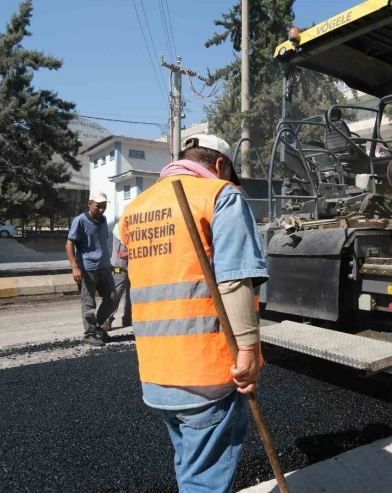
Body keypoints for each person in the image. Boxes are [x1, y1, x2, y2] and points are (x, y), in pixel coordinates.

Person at [120, 134, 267, 492]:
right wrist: (247, 352)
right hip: (207, 374)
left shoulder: (135, 208)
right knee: (205, 482)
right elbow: (234, 281)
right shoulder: (219, 194)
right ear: (220, 165)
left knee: (190, 467)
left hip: (156, 373)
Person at [66, 191, 116, 347]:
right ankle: (89, 334)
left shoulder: (103, 220)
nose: (101, 210)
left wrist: (109, 263)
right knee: (88, 303)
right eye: (98, 206)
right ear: (89, 204)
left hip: (104, 267)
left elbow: (101, 243)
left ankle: (97, 327)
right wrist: (75, 267)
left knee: (112, 298)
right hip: (88, 269)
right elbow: (69, 244)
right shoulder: (79, 221)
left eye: (104, 206)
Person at [102, 222, 131, 332]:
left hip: (133, 266)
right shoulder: (120, 227)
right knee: (116, 293)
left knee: (132, 293)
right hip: (120, 267)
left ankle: (128, 318)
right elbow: (122, 253)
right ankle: (107, 319)